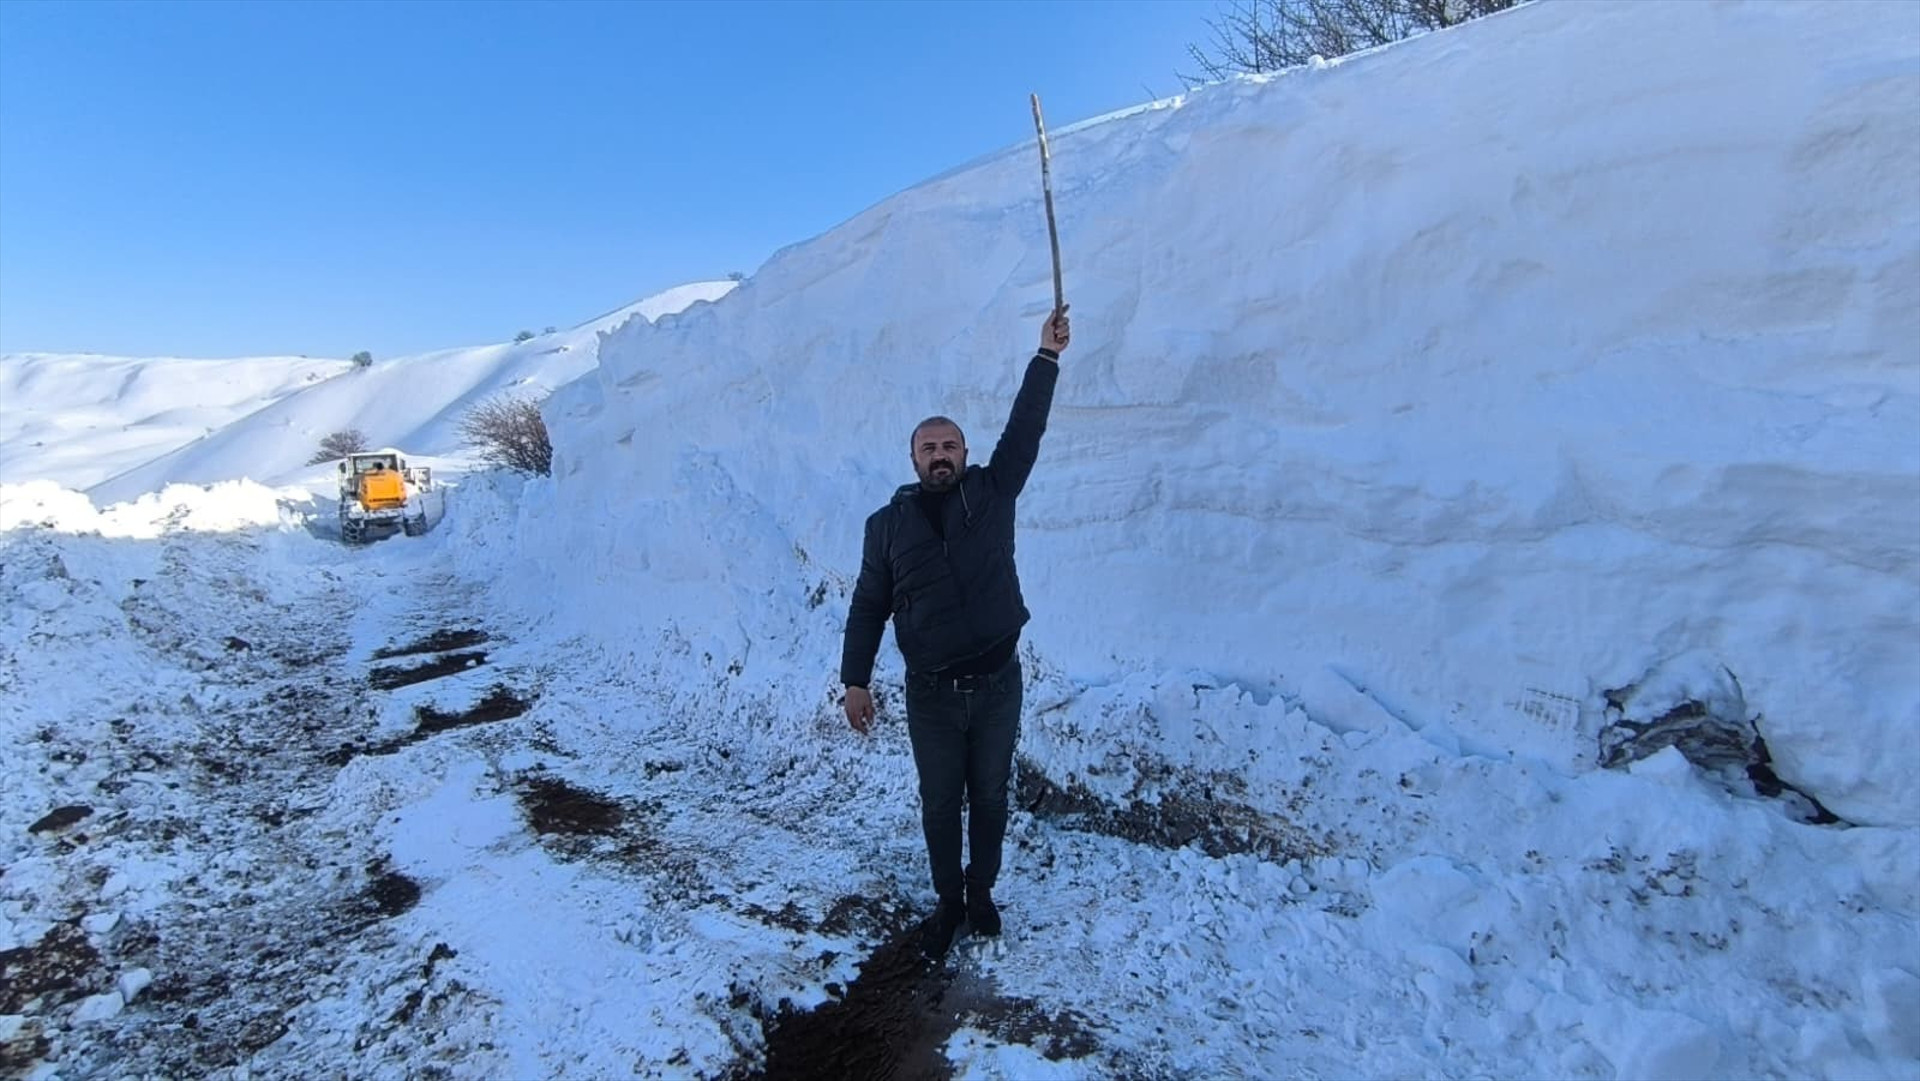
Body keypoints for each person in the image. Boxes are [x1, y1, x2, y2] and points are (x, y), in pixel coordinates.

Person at [840, 305, 1072, 959]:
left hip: (999, 683)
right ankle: (948, 899)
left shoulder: (994, 494)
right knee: (941, 802)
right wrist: (854, 678)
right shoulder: (885, 527)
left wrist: (1045, 357)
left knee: (991, 794)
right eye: (928, 447)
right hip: (932, 694)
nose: (940, 455)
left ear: (965, 454)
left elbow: (1025, 430)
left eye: (949, 446)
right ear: (912, 458)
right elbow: (867, 605)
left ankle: (981, 891)